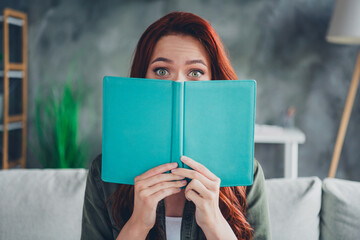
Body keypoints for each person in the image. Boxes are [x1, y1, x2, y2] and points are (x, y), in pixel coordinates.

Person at [81, 11, 271, 240]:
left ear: (214, 82)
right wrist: (138, 224)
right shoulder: (104, 175)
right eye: (161, 71)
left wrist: (214, 223)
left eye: (195, 72)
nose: (177, 84)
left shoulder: (246, 176)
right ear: (141, 79)